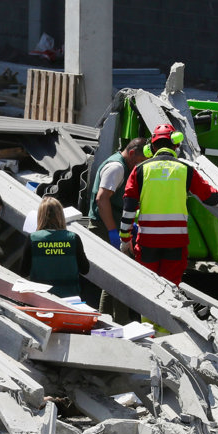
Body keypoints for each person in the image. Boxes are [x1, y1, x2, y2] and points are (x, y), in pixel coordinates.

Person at [119, 123, 218, 286]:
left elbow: (129, 207)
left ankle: (146, 313)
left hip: (147, 242)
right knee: (170, 288)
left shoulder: (140, 170)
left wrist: (125, 238)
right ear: (176, 145)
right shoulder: (186, 170)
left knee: (147, 287)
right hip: (176, 243)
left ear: (151, 147)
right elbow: (210, 197)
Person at [88, 137, 147, 323]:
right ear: (131, 153)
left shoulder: (124, 166)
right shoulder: (117, 168)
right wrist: (114, 232)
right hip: (104, 226)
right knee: (121, 276)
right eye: (140, 161)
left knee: (114, 278)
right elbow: (102, 199)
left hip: (110, 225)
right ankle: (120, 321)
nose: (141, 165)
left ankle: (107, 320)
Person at [21, 196, 90, 298]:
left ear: (40, 217)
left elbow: (23, 271)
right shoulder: (73, 239)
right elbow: (85, 269)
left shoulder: (33, 239)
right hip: (70, 299)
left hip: (41, 298)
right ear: (61, 216)